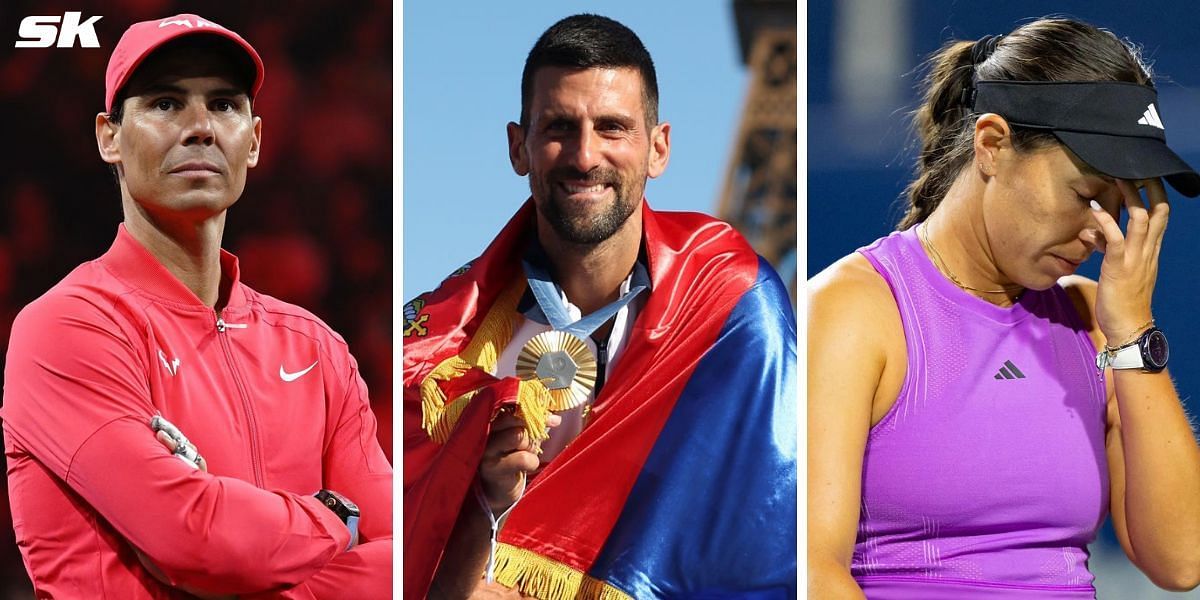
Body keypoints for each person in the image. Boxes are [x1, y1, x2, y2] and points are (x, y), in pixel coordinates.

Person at [403, 13, 796, 600]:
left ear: (658, 148)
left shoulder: (733, 310)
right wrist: (472, 528)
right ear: (519, 146)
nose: (585, 156)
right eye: (560, 126)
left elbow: (765, 552)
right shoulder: (436, 344)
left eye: (612, 127)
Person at [1, 14, 391, 598]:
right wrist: (336, 518)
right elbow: (199, 541)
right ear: (109, 136)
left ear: (254, 140)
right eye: (164, 104)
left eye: (224, 105)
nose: (201, 128)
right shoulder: (64, 327)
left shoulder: (315, 347)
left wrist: (254, 563)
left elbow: (403, 557)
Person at [809, 17, 1200, 599]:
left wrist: (1134, 330)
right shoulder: (854, 310)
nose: (1103, 233)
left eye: (1120, 206)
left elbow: (1182, 561)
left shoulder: (1100, 324)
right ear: (992, 145)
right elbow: (815, 573)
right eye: (1087, 196)